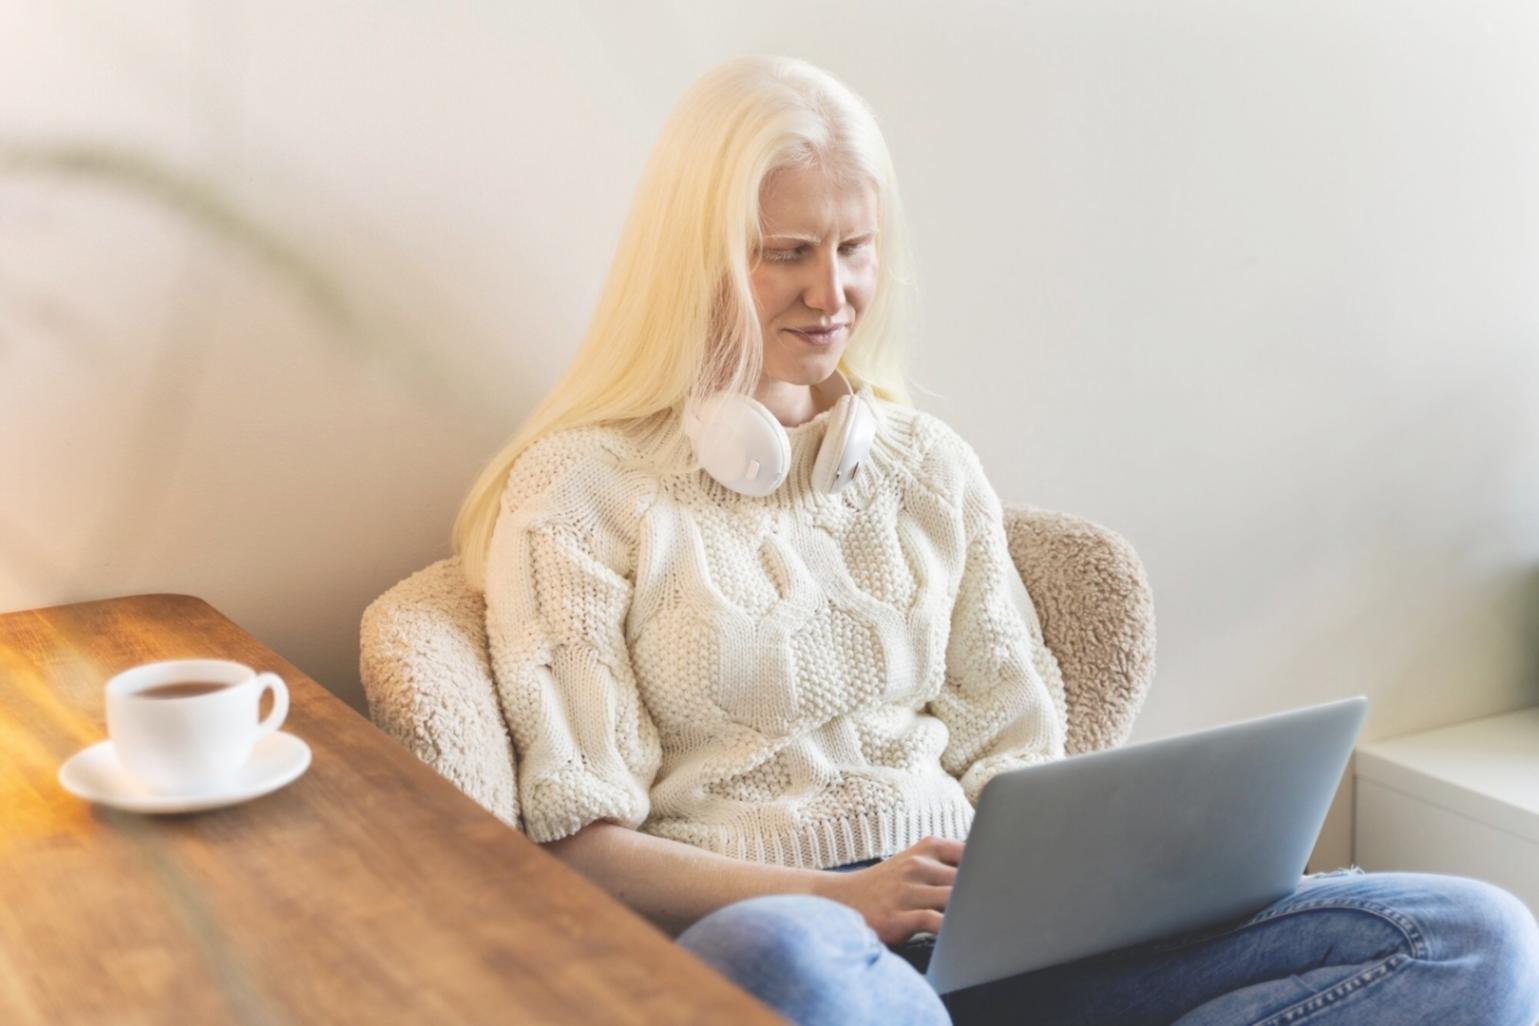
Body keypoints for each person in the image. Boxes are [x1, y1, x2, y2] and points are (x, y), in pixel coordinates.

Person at [451, 54, 1539, 1026]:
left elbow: (1019, 757)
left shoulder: (927, 466)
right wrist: (841, 899)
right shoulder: (578, 491)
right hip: (800, 944)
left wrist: (1098, 881)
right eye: (787, 253)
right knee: (771, 953)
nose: (832, 294)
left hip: (1000, 950)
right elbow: (578, 850)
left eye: (853, 248)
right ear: (694, 257)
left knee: (1472, 934)